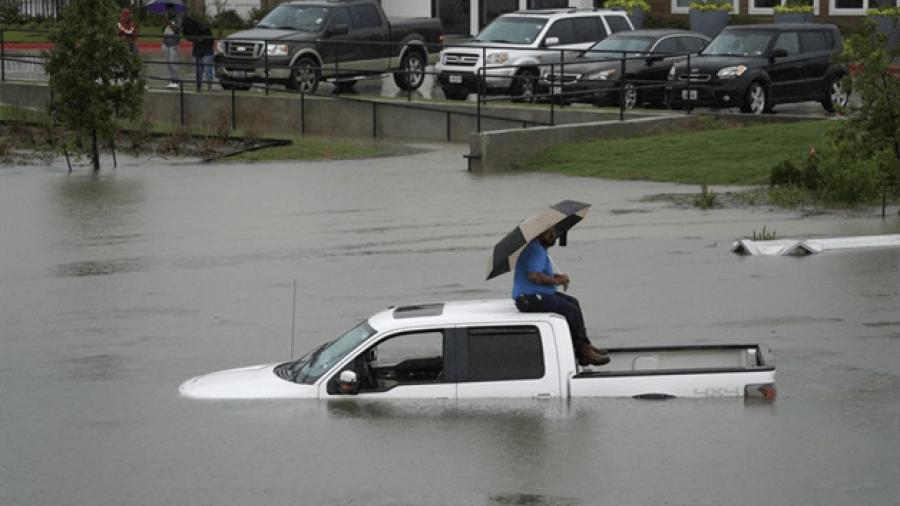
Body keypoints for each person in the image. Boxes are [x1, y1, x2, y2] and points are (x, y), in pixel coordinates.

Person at [512, 227, 610, 367]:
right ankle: (584, 352)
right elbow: (534, 276)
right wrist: (556, 281)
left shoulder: (538, 248)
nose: (553, 235)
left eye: (554, 232)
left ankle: (584, 346)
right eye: (548, 232)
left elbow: (541, 274)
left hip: (537, 294)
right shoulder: (536, 250)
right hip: (530, 298)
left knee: (573, 303)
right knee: (570, 310)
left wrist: (559, 277)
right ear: (538, 233)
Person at [186, 19, 215, 91]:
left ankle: (209, 87)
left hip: (207, 53)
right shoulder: (196, 32)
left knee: (207, 70)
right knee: (199, 71)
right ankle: (199, 87)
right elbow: (189, 38)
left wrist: (197, 38)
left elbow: (206, 40)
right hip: (198, 53)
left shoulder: (207, 32)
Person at [162, 4, 183, 89]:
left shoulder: (178, 18)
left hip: (174, 43)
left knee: (172, 62)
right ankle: (171, 80)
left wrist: (169, 23)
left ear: (173, 10)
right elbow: (162, 30)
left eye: (169, 10)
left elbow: (176, 29)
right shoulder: (167, 19)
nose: (168, 12)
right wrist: (164, 24)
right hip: (165, 43)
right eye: (167, 10)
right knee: (168, 63)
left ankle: (175, 81)